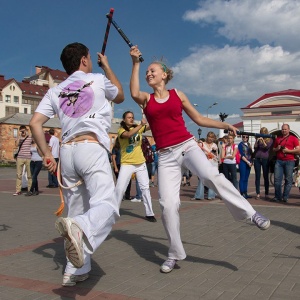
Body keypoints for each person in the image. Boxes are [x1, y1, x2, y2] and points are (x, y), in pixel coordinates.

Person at [129, 45, 270, 274]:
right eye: (146, 72)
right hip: (165, 156)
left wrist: (225, 125)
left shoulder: (177, 95)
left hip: (187, 146)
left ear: (164, 74)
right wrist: (135, 63)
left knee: (210, 175)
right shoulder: (146, 99)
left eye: (152, 70)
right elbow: (134, 92)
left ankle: (251, 213)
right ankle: (174, 253)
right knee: (167, 205)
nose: (149, 73)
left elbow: (199, 119)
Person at [29, 42, 124, 286]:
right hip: (91, 148)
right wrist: (107, 67)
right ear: (84, 60)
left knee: (75, 212)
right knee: (107, 206)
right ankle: (81, 227)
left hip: (68, 153)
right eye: (90, 59)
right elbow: (120, 96)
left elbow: (35, 123)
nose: (92, 62)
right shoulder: (98, 79)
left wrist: (47, 154)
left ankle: (74, 271)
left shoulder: (55, 90)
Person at [114, 111, 157, 222]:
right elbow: (129, 135)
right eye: (129, 117)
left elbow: (150, 126)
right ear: (124, 119)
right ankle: (114, 211)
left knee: (145, 188)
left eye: (132, 117)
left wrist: (152, 116)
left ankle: (150, 213)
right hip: (127, 164)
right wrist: (141, 125)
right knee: (120, 188)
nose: (131, 119)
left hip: (140, 162)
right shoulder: (121, 131)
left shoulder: (138, 128)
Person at [272, 124, 299, 202]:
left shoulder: (294, 138)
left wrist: (288, 151)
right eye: (283, 129)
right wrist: (277, 148)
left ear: (289, 130)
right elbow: (273, 149)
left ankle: (285, 196)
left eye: (285, 129)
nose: (284, 131)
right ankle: (278, 196)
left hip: (289, 161)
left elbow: (298, 150)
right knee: (277, 180)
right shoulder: (278, 139)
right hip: (279, 161)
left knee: (288, 179)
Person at [192, 132, 218, 200]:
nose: (210, 139)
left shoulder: (214, 145)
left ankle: (211, 195)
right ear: (207, 136)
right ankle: (199, 195)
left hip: (212, 163)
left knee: (212, 179)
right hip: (204, 163)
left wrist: (214, 153)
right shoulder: (202, 144)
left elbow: (216, 155)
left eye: (212, 137)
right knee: (201, 178)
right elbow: (197, 153)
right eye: (209, 137)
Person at [253, 127, 273, 200]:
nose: (263, 133)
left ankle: (266, 193)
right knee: (257, 176)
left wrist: (263, 140)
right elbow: (255, 147)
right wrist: (256, 140)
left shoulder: (270, 139)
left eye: (264, 132)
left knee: (265, 176)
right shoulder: (259, 139)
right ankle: (258, 193)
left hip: (265, 158)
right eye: (261, 132)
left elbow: (266, 147)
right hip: (257, 158)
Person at [13, 125, 32, 196]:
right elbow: (16, 145)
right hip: (20, 157)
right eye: (21, 131)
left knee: (29, 175)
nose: (23, 132)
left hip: (29, 157)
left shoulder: (30, 137)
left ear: (26, 130)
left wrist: (27, 134)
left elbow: (34, 142)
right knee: (19, 174)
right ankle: (18, 190)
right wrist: (18, 136)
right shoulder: (20, 137)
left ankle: (30, 189)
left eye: (24, 131)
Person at [238, 135, 253, 199]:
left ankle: (245, 192)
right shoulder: (240, 145)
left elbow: (251, 154)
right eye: (243, 137)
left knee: (246, 178)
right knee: (242, 178)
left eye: (246, 137)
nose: (245, 138)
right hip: (243, 162)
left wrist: (251, 162)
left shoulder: (249, 144)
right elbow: (241, 155)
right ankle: (242, 193)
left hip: (249, 163)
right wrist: (247, 162)